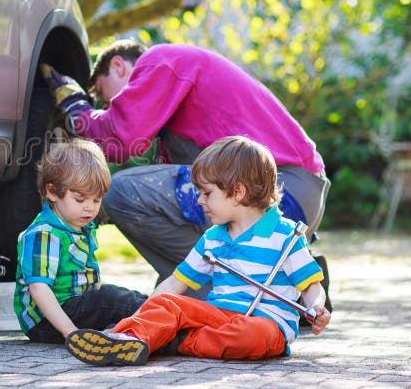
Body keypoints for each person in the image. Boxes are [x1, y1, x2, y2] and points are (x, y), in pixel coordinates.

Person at [41, 40, 331, 296]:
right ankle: (279, 280)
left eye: (106, 98)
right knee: (166, 288)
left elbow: (121, 137)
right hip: (295, 195)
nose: (108, 107)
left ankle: (220, 291)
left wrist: (78, 109)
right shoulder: (185, 86)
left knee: (122, 193)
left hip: (282, 188)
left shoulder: (161, 60)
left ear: (119, 66)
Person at [64, 136, 331, 366]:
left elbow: (310, 286)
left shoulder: (285, 234)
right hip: (217, 317)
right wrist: (142, 316)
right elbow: (175, 284)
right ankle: (126, 338)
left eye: (207, 192)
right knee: (168, 304)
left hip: (266, 324)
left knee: (251, 336)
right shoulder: (212, 238)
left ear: (237, 192)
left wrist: (316, 309)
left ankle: (171, 341)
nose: (200, 200)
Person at [14, 138, 148, 343]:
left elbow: (89, 278)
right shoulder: (44, 233)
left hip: (74, 309)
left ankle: (149, 323)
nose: (90, 207)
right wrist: (69, 331)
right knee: (111, 300)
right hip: (47, 321)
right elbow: (38, 288)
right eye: (80, 199)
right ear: (52, 192)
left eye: (96, 200)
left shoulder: (79, 227)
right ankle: (160, 323)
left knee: (117, 301)